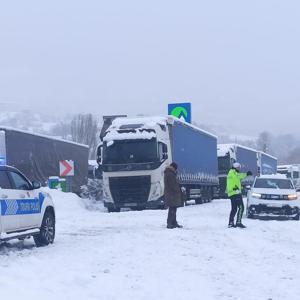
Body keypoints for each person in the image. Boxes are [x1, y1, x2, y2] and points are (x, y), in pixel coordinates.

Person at [227, 162, 252, 228]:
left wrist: (240, 187)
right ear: (235, 167)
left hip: (232, 193)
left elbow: (237, 178)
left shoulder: (231, 173)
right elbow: (239, 176)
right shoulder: (233, 173)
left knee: (234, 209)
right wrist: (246, 174)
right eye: (238, 168)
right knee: (241, 207)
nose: (239, 169)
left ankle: (231, 223)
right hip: (236, 193)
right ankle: (238, 222)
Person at [164, 162, 183, 229]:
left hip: (171, 194)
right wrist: (178, 190)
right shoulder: (170, 174)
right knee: (172, 209)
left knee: (173, 209)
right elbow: (173, 185)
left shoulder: (169, 173)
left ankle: (173, 222)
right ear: (174, 168)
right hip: (172, 194)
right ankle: (170, 223)